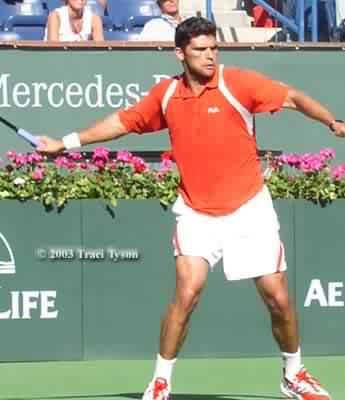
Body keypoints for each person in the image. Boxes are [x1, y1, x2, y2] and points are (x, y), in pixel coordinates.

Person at [37, 17, 345, 400]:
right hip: (197, 212)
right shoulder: (166, 95)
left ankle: (293, 374)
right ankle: (160, 380)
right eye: (200, 50)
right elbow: (122, 122)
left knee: (278, 297)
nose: (210, 56)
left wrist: (332, 122)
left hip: (249, 207)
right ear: (180, 54)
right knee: (187, 292)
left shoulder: (239, 84)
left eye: (214, 48)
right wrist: (65, 142)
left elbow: (293, 97)